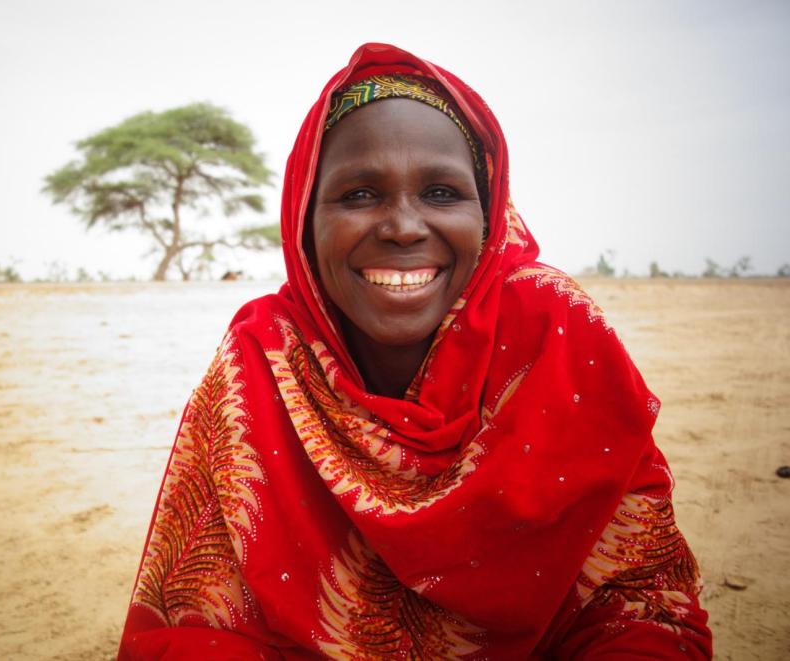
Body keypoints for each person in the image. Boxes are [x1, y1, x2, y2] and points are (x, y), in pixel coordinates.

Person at [117, 42, 712, 659]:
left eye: (441, 193)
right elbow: (201, 623)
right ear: (303, 221)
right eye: (359, 195)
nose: (403, 226)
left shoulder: (555, 333)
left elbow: (638, 603)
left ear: (489, 213)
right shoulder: (264, 359)